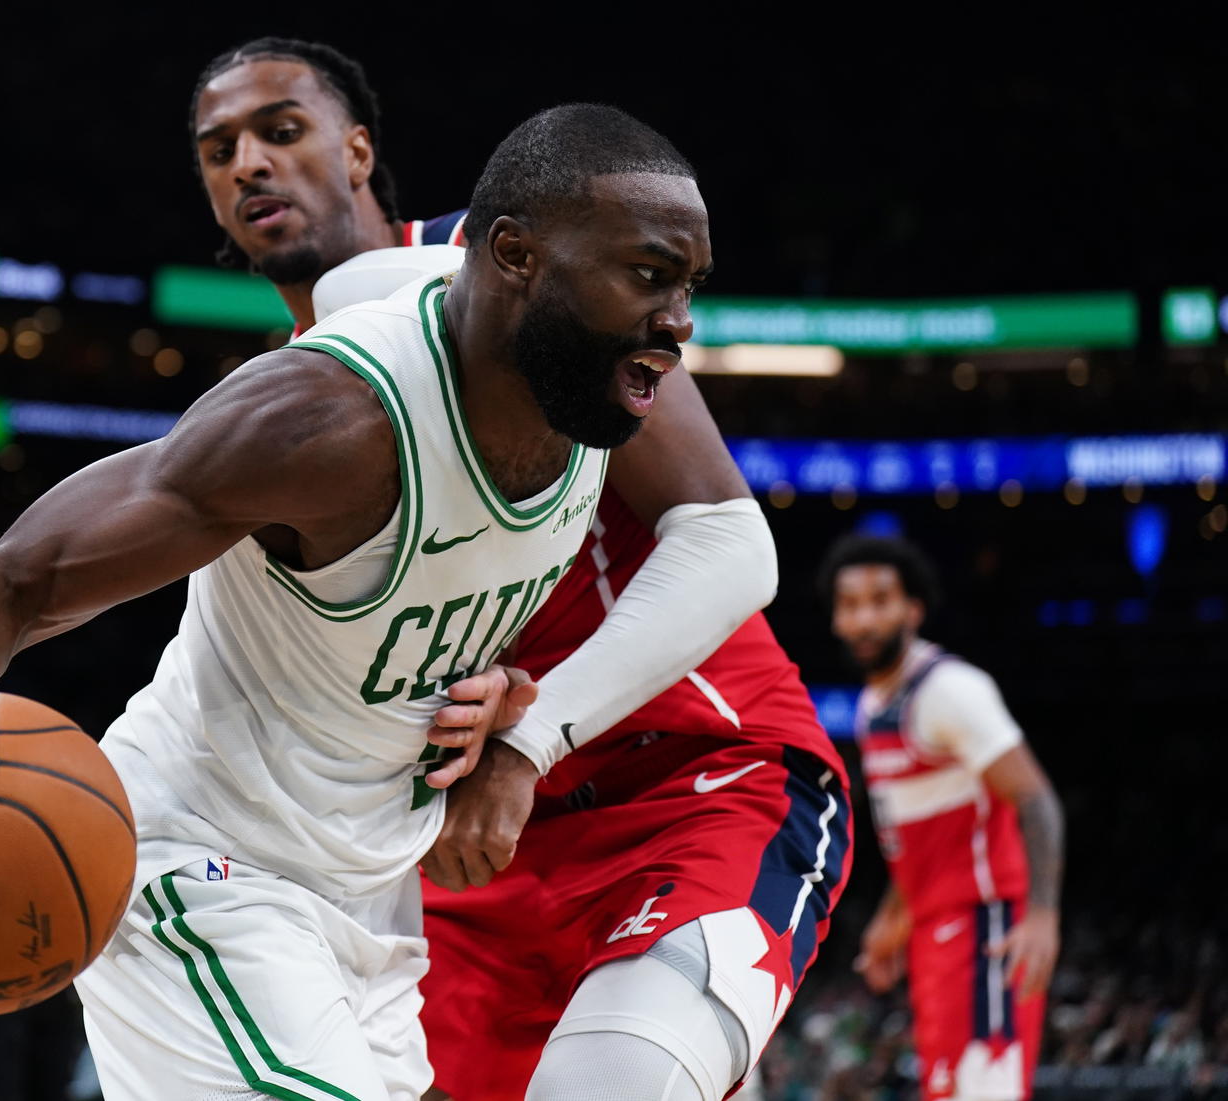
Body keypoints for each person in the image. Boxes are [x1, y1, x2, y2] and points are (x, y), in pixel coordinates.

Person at [0, 98, 777, 1100]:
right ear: (514, 257)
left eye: (688, 286)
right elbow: (13, 581)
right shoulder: (325, 424)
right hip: (212, 874)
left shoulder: (594, 383)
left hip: (373, 908)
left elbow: (730, 541)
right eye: (649, 277)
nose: (679, 321)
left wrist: (520, 726)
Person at [192, 38, 853, 1100]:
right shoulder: (275, 403)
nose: (248, 166)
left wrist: (529, 736)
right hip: (469, 860)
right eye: (217, 149)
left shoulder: (503, 264)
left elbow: (729, 539)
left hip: (685, 783)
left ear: (356, 149)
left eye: (280, 130)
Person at [823, 534, 1064, 1101]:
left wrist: (1043, 916)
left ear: (913, 609)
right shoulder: (872, 705)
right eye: (850, 604)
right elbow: (922, 842)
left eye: (879, 601)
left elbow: (1036, 800)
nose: (864, 619)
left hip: (987, 930)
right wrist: (893, 917)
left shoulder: (950, 690)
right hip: (935, 935)